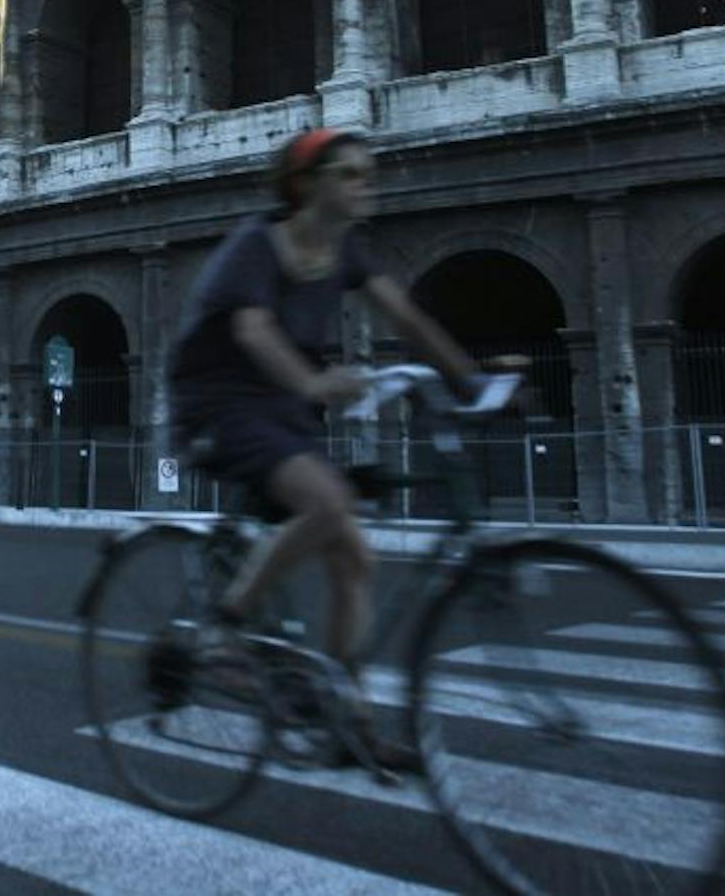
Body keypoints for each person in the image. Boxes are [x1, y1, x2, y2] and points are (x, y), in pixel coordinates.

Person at [167, 127, 504, 772]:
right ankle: (224, 629)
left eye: (366, 174)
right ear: (306, 185)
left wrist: (471, 379)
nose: (363, 184)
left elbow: (406, 318)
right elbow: (253, 329)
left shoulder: (346, 252)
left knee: (354, 557)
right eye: (348, 174)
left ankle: (352, 727)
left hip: (283, 409)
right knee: (328, 502)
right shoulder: (257, 245)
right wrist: (316, 381)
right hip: (217, 401)